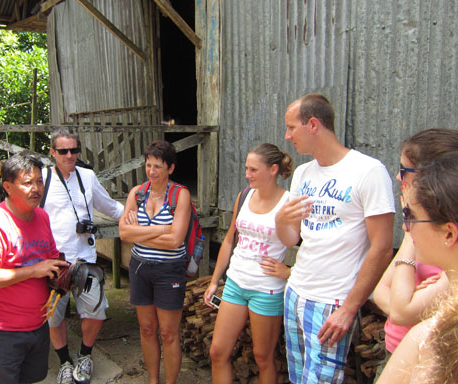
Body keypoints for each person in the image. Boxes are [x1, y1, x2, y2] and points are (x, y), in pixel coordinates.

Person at [275, 94, 395, 383]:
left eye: (292, 128)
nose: (287, 136)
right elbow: (292, 239)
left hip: (332, 301)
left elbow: (381, 248)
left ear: (313, 124)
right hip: (295, 293)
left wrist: (349, 308)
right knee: (298, 377)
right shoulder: (303, 173)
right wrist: (281, 219)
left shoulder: (369, 171)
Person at [0, 151, 69, 384]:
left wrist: (64, 275)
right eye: (27, 183)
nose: (36, 189)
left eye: (39, 181)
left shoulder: (41, 216)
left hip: (37, 326)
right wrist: (33, 270)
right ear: (8, 187)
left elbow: (49, 258)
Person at [203, 144, 293, 384]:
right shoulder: (244, 196)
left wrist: (289, 271)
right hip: (236, 282)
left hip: (266, 288)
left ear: (273, 169)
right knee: (218, 351)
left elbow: (309, 244)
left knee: (263, 357)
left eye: (253, 169)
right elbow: (230, 239)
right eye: (246, 168)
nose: (247, 174)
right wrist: (214, 281)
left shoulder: (288, 202)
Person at [42, 129, 124, 384]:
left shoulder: (86, 176)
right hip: (54, 261)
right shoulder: (43, 178)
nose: (69, 155)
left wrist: (135, 215)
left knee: (95, 310)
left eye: (74, 150)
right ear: (53, 152)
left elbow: (108, 205)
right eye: (63, 151)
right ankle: (64, 361)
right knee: (54, 315)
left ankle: (85, 354)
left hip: (85, 259)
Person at [373, 129, 458, 358]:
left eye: (404, 170)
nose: (399, 178)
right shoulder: (422, 232)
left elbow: (401, 311)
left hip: (424, 355)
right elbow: (380, 291)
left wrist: (412, 222)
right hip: (397, 344)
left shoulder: (435, 238)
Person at [119, 139, 191, 384]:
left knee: (169, 333)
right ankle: (153, 380)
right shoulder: (137, 194)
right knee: (147, 329)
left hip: (169, 270)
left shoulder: (180, 195)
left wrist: (141, 232)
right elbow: (124, 234)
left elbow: (176, 241)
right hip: (140, 268)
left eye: (158, 166)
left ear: (170, 168)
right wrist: (162, 229)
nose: (152, 171)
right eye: (148, 165)